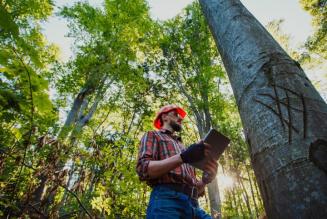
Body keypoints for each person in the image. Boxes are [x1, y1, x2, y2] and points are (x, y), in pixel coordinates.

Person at [136, 104, 218, 218]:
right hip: (166, 201)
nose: (180, 118)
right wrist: (183, 157)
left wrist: (205, 180)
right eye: (175, 114)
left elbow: (197, 189)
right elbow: (143, 169)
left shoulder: (183, 147)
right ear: (164, 117)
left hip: (193, 205)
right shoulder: (153, 135)